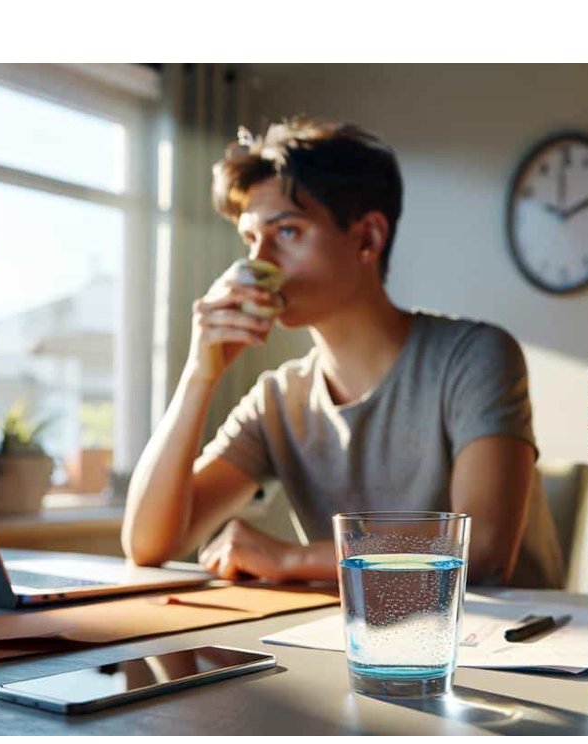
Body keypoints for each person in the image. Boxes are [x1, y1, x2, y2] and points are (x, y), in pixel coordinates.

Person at [121, 117, 563, 587]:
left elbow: (486, 550)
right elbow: (148, 544)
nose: (258, 262)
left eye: (286, 232)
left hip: (506, 631)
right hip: (358, 630)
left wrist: (293, 560)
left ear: (368, 238)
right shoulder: (276, 400)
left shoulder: (474, 357)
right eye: (251, 239)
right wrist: (199, 374)